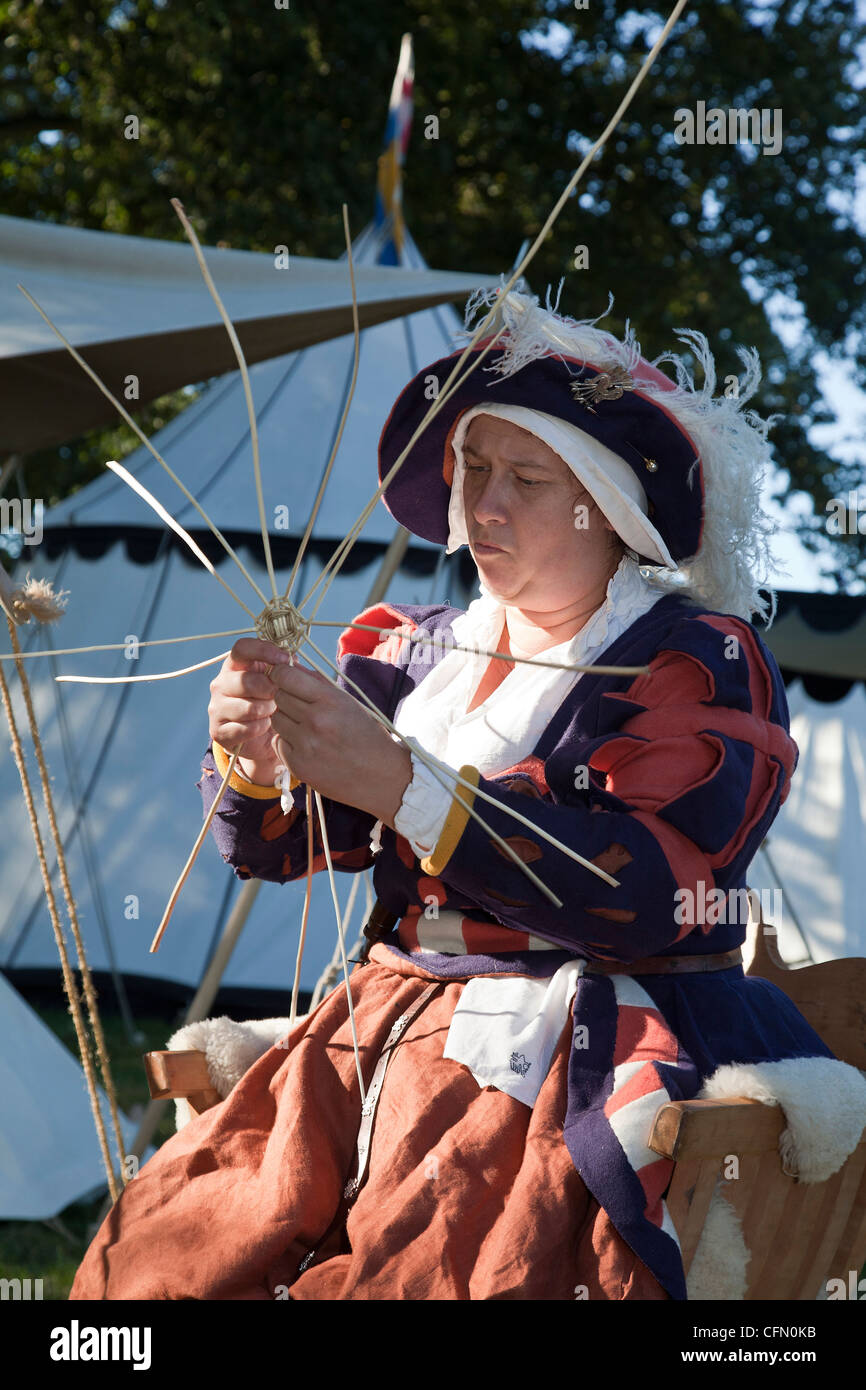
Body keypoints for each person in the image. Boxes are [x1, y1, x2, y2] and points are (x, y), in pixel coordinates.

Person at [70, 287, 837, 1302]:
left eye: (524, 477)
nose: (481, 505)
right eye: (471, 469)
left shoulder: (689, 658)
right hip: (380, 1020)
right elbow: (284, 844)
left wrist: (404, 783)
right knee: (170, 1250)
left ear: (606, 509)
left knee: (430, 1269)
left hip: (574, 1036)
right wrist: (261, 760)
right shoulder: (416, 649)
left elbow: (650, 891)